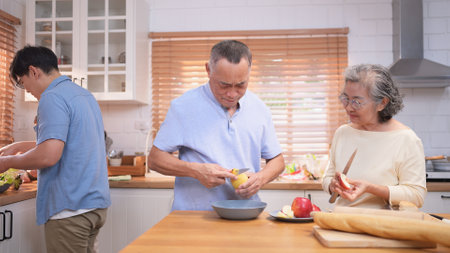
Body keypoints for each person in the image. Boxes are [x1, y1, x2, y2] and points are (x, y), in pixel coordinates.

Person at [149, 40, 285, 210]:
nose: (232, 94)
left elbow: (278, 161)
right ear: (208, 70)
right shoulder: (183, 107)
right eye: (224, 85)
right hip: (193, 218)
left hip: (246, 215)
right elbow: (155, 159)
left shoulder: (260, 109)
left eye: (241, 85)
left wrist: (261, 178)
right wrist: (196, 171)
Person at [0, 45, 111, 252]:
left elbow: (48, 156)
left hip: (69, 208)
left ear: (33, 71)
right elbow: (71, 143)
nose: (29, 92)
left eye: (24, 84)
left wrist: (7, 162)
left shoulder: (52, 97)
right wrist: (18, 146)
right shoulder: (83, 95)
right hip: (94, 206)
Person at [322, 64, 426, 208]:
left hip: (383, 226)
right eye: (345, 98)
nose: (348, 107)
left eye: (357, 102)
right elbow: (328, 177)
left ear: (382, 103)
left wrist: (372, 188)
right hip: (342, 222)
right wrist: (332, 186)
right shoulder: (342, 133)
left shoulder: (406, 139)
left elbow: (416, 195)